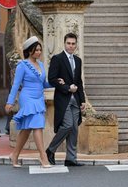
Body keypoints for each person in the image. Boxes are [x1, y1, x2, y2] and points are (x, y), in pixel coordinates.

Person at [5, 36, 64, 168]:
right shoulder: (22, 65)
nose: (39, 52)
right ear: (29, 51)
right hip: (27, 98)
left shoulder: (41, 65)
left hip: (38, 98)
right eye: (36, 50)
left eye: (39, 50)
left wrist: (56, 83)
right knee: (37, 125)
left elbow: (44, 83)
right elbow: (16, 85)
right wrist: (10, 102)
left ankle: (14, 155)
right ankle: (43, 157)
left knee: (26, 130)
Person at [46, 33, 86, 166]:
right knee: (68, 125)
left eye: (73, 44)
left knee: (74, 129)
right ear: (64, 43)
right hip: (63, 99)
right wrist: (67, 87)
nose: (71, 46)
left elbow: (79, 82)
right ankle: (51, 149)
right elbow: (51, 79)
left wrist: (83, 100)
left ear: (76, 45)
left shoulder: (78, 60)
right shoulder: (57, 59)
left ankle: (70, 159)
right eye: (68, 43)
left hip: (76, 99)